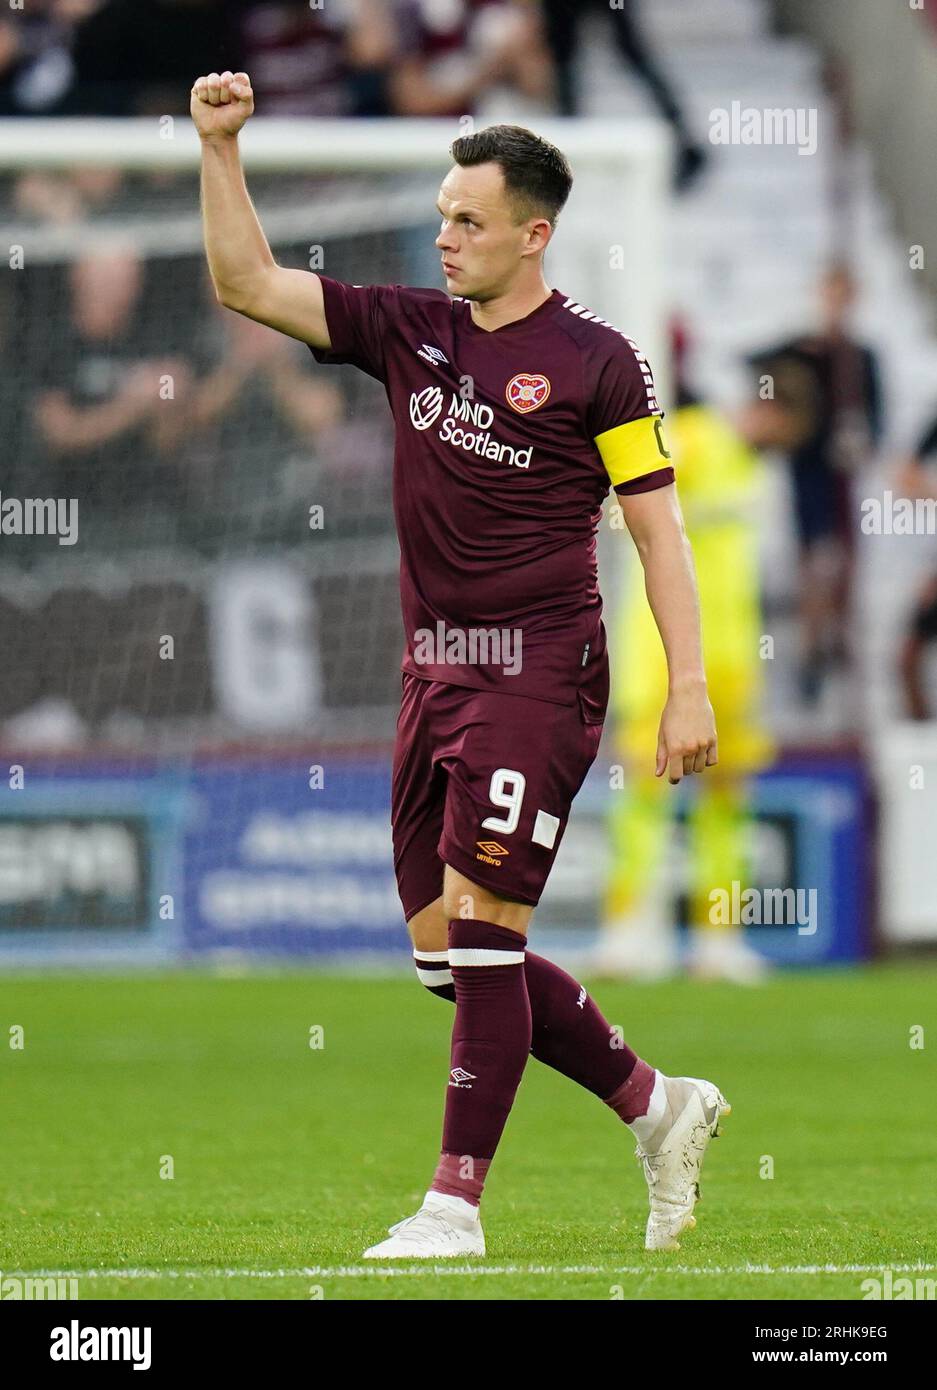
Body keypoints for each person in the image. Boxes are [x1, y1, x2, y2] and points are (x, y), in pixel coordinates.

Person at [192, 69, 729, 1259]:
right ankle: (656, 1103)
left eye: (468, 221)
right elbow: (244, 282)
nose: (444, 236)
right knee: (448, 957)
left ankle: (453, 1207)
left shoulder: (601, 365)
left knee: (486, 933)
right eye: (441, 214)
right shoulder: (406, 329)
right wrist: (218, 148)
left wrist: (685, 682)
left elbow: (656, 530)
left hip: (539, 674)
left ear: (533, 234)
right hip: (432, 672)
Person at [600, 356, 802, 985]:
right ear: (773, 412)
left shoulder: (757, 474)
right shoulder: (694, 435)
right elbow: (623, 495)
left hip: (732, 663)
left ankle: (719, 941)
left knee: (727, 804)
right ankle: (631, 930)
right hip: (661, 657)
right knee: (644, 795)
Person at [749, 265, 883, 707]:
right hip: (807, 473)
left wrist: (861, 441)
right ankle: (811, 651)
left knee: (841, 559)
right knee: (813, 560)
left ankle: (838, 639)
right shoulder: (802, 349)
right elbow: (755, 364)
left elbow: (876, 422)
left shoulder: (861, 357)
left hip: (841, 474)